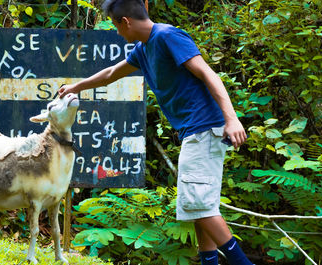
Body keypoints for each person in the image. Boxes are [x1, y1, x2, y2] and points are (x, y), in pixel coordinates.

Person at [59, 0, 252, 264]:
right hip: (193, 131)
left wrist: (232, 119)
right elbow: (112, 73)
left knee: (198, 203)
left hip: (205, 127)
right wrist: (76, 87)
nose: (117, 33)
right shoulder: (143, 48)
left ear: (125, 22)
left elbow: (208, 74)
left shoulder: (167, 36)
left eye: (116, 26)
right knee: (196, 206)